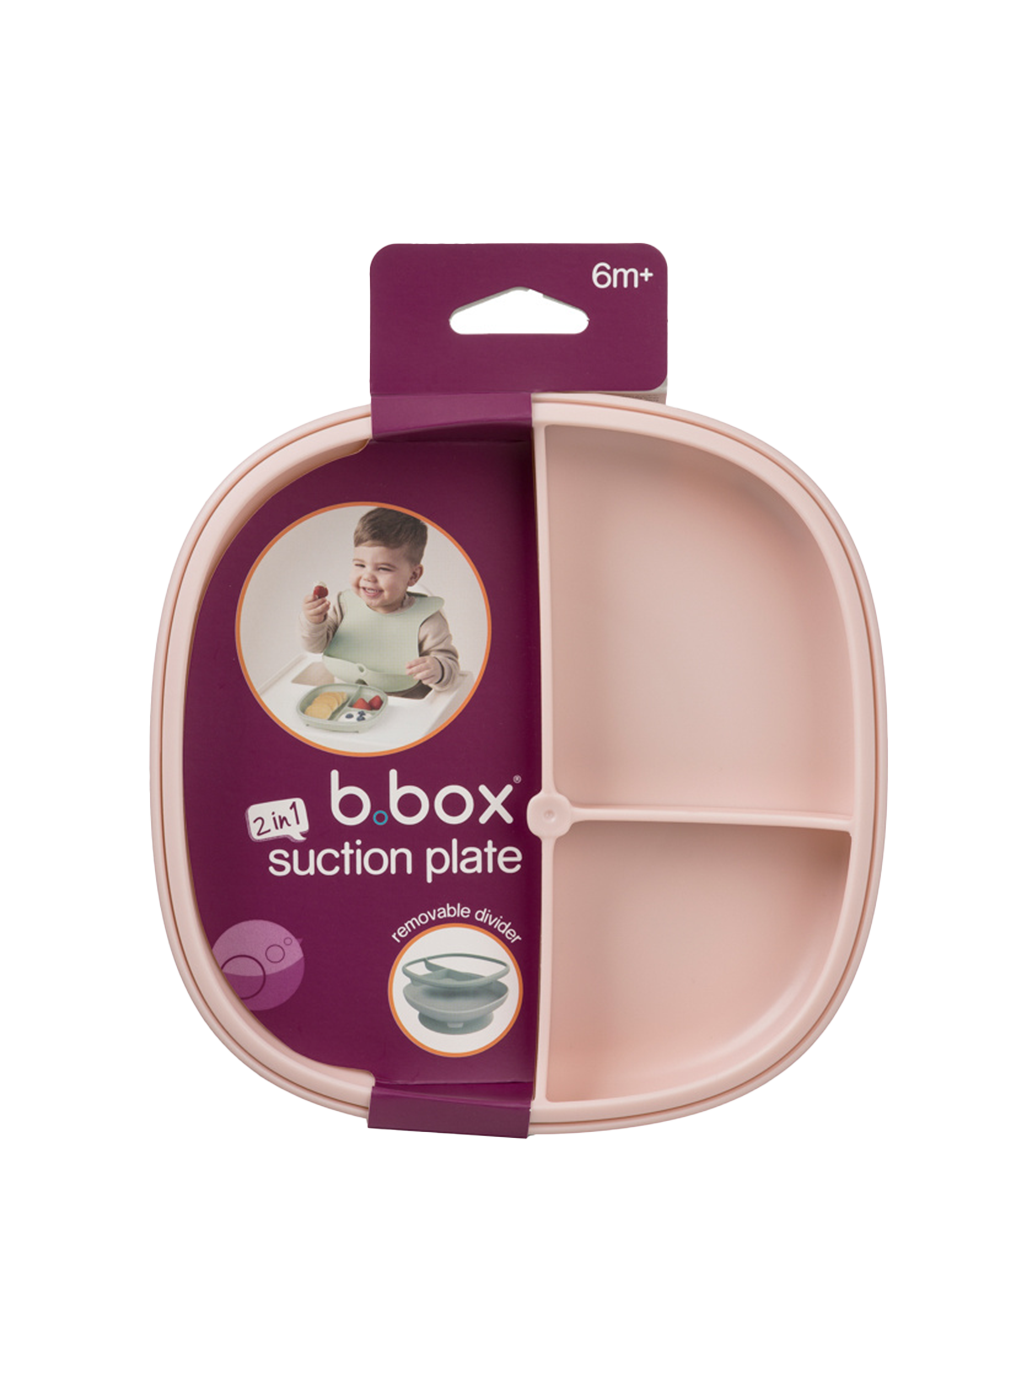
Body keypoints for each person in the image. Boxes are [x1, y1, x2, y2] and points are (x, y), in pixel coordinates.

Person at [300, 508, 459, 694]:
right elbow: (315, 646)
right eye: (360, 565)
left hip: (403, 705)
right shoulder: (344, 606)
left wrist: (438, 669)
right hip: (344, 698)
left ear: (413, 575)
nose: (368, 576)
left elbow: (451, 669)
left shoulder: (427, 621)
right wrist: (314, 621)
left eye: (383, 568)